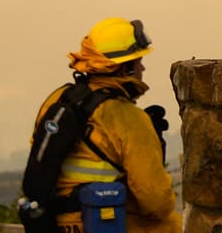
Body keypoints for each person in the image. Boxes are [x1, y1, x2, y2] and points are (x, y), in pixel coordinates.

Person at [29, 18, 182, 233]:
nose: (143, 66)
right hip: (108, 224)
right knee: (171, 224)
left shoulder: (57, 100)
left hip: (56, 224)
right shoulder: (129, 118)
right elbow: (156, 202)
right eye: (138, 61)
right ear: (126, 68)